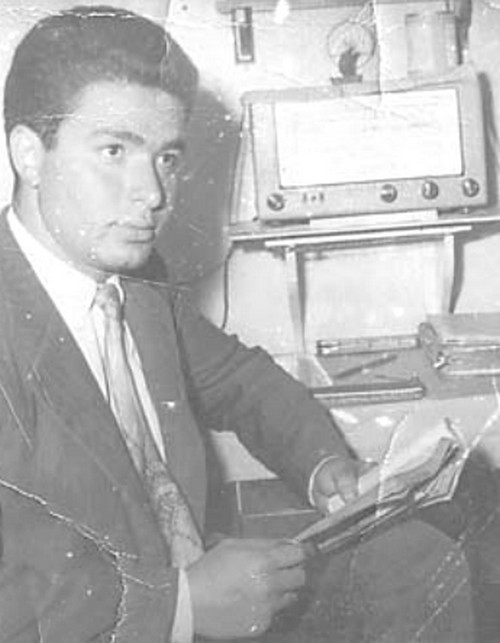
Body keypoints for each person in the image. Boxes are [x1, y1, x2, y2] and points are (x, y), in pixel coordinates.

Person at [0, 5, 497, 643]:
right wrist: (180, 607)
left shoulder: (135, 282)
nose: (153, 193)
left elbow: (240, 379)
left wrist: (326, 467)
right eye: (114, 151)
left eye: (166, 158)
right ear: (29, 154)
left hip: (188, 580)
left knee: (415, 560)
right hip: (111, 619)